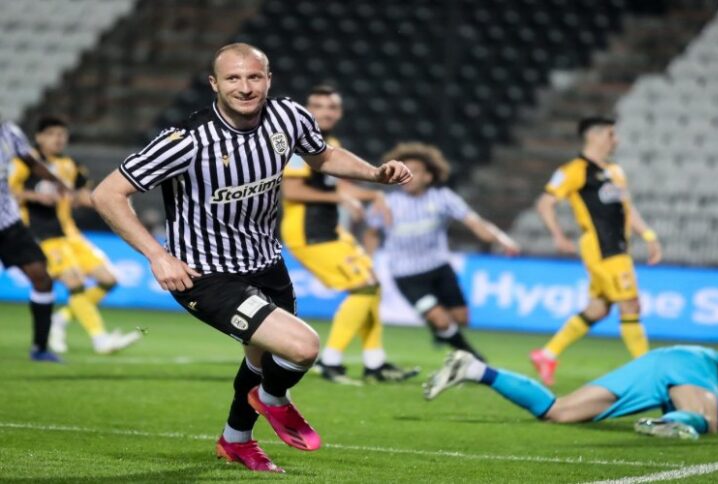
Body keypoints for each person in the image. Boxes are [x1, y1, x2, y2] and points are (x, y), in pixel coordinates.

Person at [91, 43, 412, 473]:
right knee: (302, 348)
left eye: (254, 77)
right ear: (214, 83)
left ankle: (235, 440)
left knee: (260, 359)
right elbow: (107, 194)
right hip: (205, 274)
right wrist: (157, 255)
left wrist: (375, 173)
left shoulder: (289, 117)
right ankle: (273, 398)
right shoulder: (186, 140)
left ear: (268, 79)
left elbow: (323, 156)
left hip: (265, 262)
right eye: (233, 78)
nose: (245, 87)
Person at [280, 85, 418, 384]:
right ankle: (330, 361)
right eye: (318, 106)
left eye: (331, 107)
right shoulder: (297, 144)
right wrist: (340, 198)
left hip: (329, 230)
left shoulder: (328, 144)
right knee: (364, 286)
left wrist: (372, 195)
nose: (325, 112)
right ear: (307, 110)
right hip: (308, 232)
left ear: (339, 112)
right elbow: (292, 190)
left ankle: (374, 363)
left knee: (373, 285)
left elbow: (337, 185)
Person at [424, 346, 718, 439]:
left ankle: (476, 369)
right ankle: (668, 421)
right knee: (705, 423)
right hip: (694, 365)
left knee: (558, 411)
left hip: (662, 362)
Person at [530, 116, 663, 385]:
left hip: (617, 247)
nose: (617, 140)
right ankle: (648, 370)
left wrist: (648, 235)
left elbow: (627, 208)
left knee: (598, 308)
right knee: (630, 304)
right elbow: (545, 203)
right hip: (602, 248)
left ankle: (547, 354)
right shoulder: (574, 170)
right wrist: (558, 236)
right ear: (594, 136)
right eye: (612, 134)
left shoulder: (615, 171)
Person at [364, 142, 520, 361]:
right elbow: (371, 233)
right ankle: (471, 357)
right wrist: (368, 262)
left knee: (461, 319)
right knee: (441, 320)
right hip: (406, 274)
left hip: (439, 268)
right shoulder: (386, 204)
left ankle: (440, 332)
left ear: (428, 177)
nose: (407, 177)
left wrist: (502, 240)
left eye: (414, 171)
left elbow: (474, 222)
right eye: (404, 171)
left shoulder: (443, 198)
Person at [10, 116, 140, 355]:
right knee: (74, 281)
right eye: (51, 134)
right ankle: (100, 339)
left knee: (109, 279)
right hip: (41, 235)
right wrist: (35, 196)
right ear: (39, 137)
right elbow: (8, 191)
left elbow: (80, 195)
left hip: (70, 234)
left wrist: (113, 202)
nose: (58, 139)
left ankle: (60, 319)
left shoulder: (70, 165)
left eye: (62, 134)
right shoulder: (24, 163)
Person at [0, 119, 68, 362]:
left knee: (42, 277)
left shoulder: (9, 132)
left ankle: (40, 348)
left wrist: (55, 181)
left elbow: (31, 161)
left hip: (8, 221)